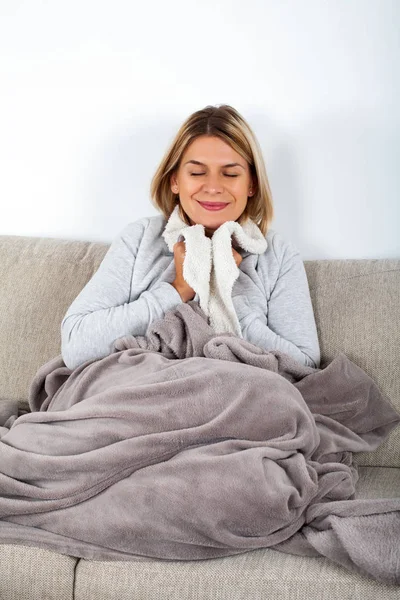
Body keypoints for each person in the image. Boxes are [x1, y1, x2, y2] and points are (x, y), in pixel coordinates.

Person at [61, 104, 321, 372]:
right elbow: (76, 344)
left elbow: (303, 364)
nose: (213, 187)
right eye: (197, 173)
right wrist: (178, 289)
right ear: (175, 180)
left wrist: (224, 289)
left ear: (251, 184)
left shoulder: (276, 253)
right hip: (141, 395)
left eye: (230, 174)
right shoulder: (140, 239)